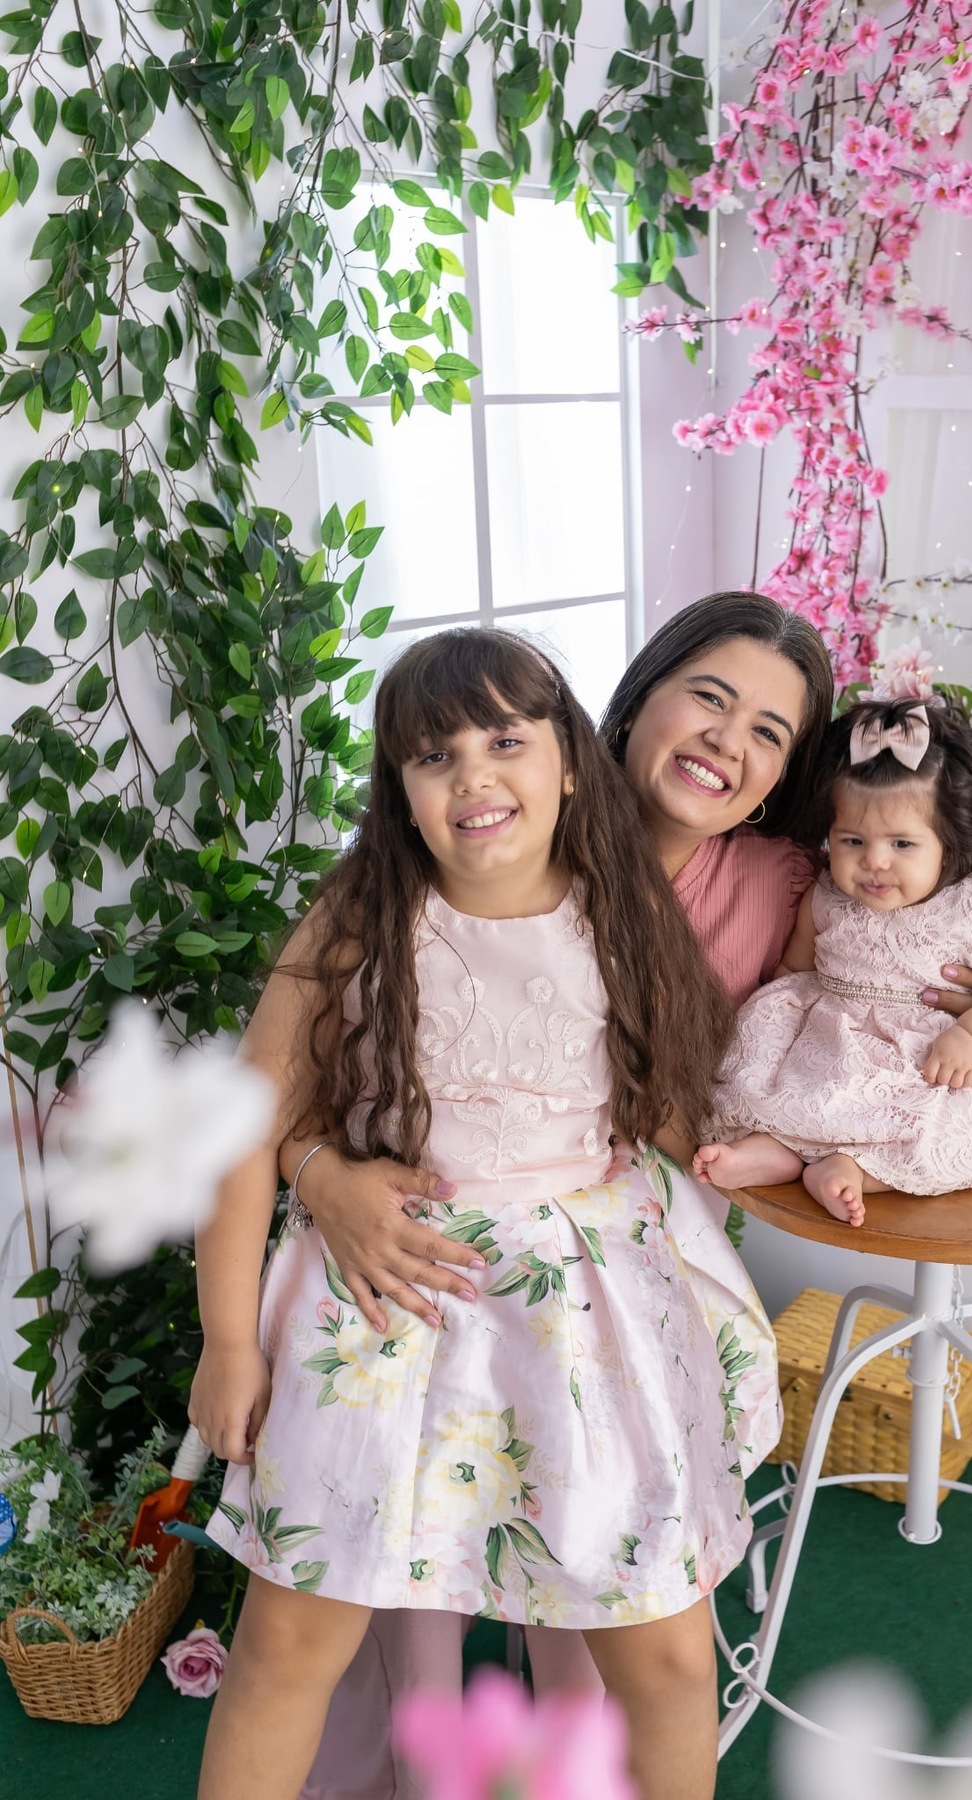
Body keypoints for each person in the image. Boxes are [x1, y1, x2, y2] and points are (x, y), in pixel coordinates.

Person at [288, 594, 972, 1800]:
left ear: (782, 779)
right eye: (709, 696)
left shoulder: (797, 883)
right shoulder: (482, 827)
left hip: (621, 1254)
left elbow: (951, 977)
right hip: (433, 1231)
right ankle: (420, 1754)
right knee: (405, 1567)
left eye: (769, 732)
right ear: (637, 697)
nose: (727, 742)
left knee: (599, 1566)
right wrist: (316, 1173)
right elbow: (327, 1066)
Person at [189, 629, 780, 1800]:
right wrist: (226, 1343)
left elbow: (665, 1119)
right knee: (291, 1641)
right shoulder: (360, 919)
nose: (473, 777)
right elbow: (244, 1131)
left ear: (569, 761)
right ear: (400, 795)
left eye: (505, 740)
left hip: (586, 1318)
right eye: (432, 755)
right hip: (385, 1308)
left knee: (660, 1647)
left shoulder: (625, 918)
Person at [695, 698, 972, 1224]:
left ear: (947, 845)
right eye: (852, 840)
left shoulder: (968, 907)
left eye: (902, 843)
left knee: (940, 1127)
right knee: (782, 1100)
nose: (874, 861)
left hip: (927, 1056)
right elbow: (795, 970)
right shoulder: (826, 893)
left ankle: (851, 1168)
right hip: (833, 1045)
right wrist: (768, 1029)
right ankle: (771, 1153)